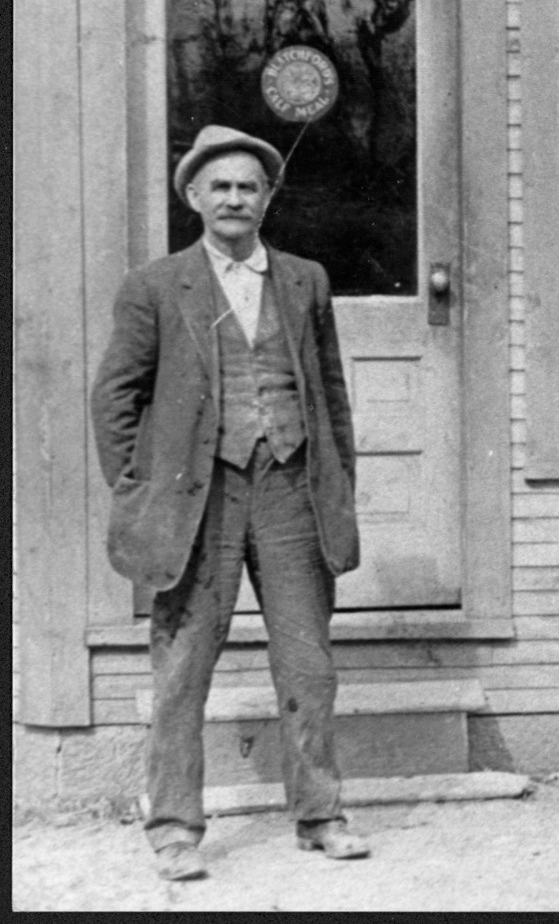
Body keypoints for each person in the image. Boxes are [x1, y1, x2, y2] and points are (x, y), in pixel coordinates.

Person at [91, 125, 371, 880]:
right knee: (183, 666)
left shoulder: (306, 280)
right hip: (197, 500)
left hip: (290, 488)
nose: (235, 199)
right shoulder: (156, 285)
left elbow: (331, 395)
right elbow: (114, 397)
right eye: (221, 186)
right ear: (194, 196)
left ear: (268, 198)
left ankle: (322, 816)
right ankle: (174, 829)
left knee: (308, 663)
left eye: (249, 187)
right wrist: (139, 488)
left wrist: (336, 480)